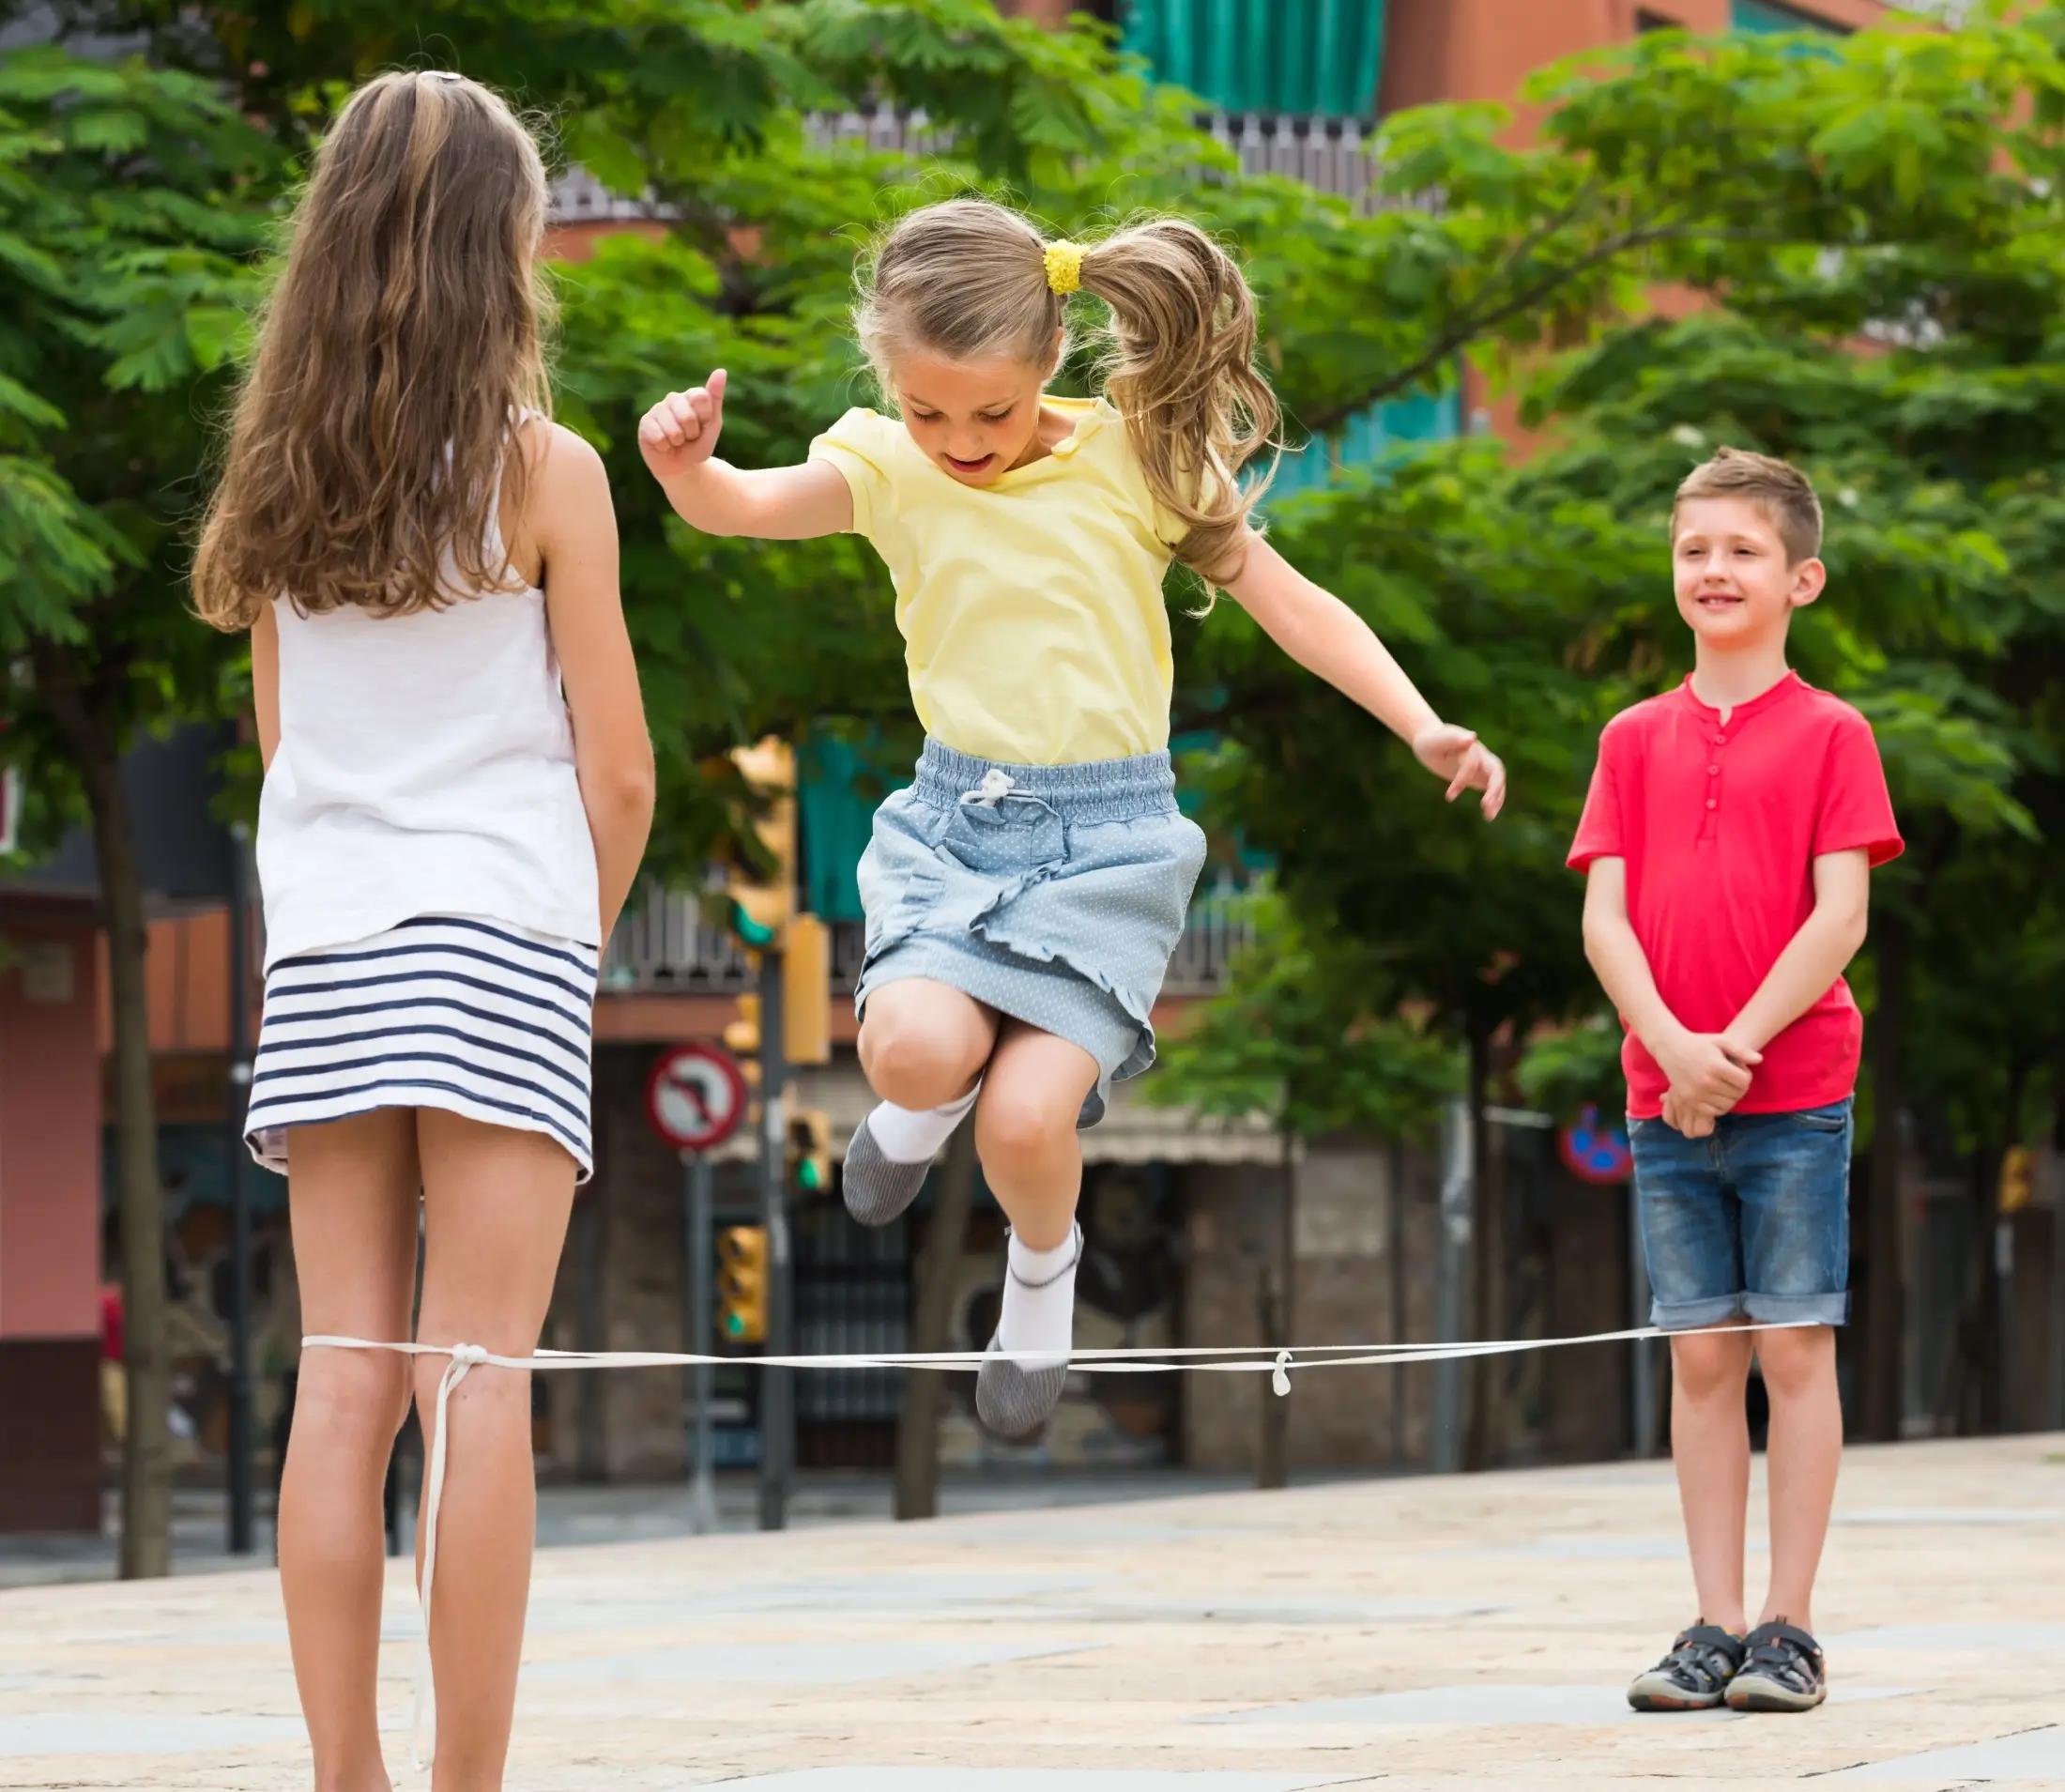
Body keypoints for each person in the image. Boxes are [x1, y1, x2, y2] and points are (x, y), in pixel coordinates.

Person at [640, 197, 1504, 1440]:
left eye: (989, 411)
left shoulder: (1138, 459)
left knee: (1030, 1117)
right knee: (911, 1052)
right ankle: (918, 1109)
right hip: (954, 822)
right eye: (929, 410)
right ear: (889, 382)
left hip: (1107, 846)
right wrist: (688, 468)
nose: (961, 441)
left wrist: (1420, 721)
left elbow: (1291, 600)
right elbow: (743, 505)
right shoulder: (886, 468)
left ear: (1049, 358)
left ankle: (1038, 1279)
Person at [192, 69, 654, 1791]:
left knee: (344, 1376)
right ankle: (468, 1782)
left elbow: (283, 748)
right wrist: (569, 938)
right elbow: (618, 769)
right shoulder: (548, 474)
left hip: (326, 945)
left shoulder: (273, 488)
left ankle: (343, 1775)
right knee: (479, 1378)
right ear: (504, 248)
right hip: (503, 935)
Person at [1568, 447, 1903, 1714]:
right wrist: (1670, 1048)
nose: (1714, 568)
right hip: (1665, 1099)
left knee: (1793, 1346)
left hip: (1796, 1090)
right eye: (1694, 549)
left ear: (1800, 576)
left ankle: (1789, 1627)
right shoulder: (1629, 736)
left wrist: (1734, 1051)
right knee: (1702, 1358)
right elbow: (1606, 920)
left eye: (1742, 550)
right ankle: (1709, 1621)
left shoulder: (1834, 733)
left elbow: (1839, 917)